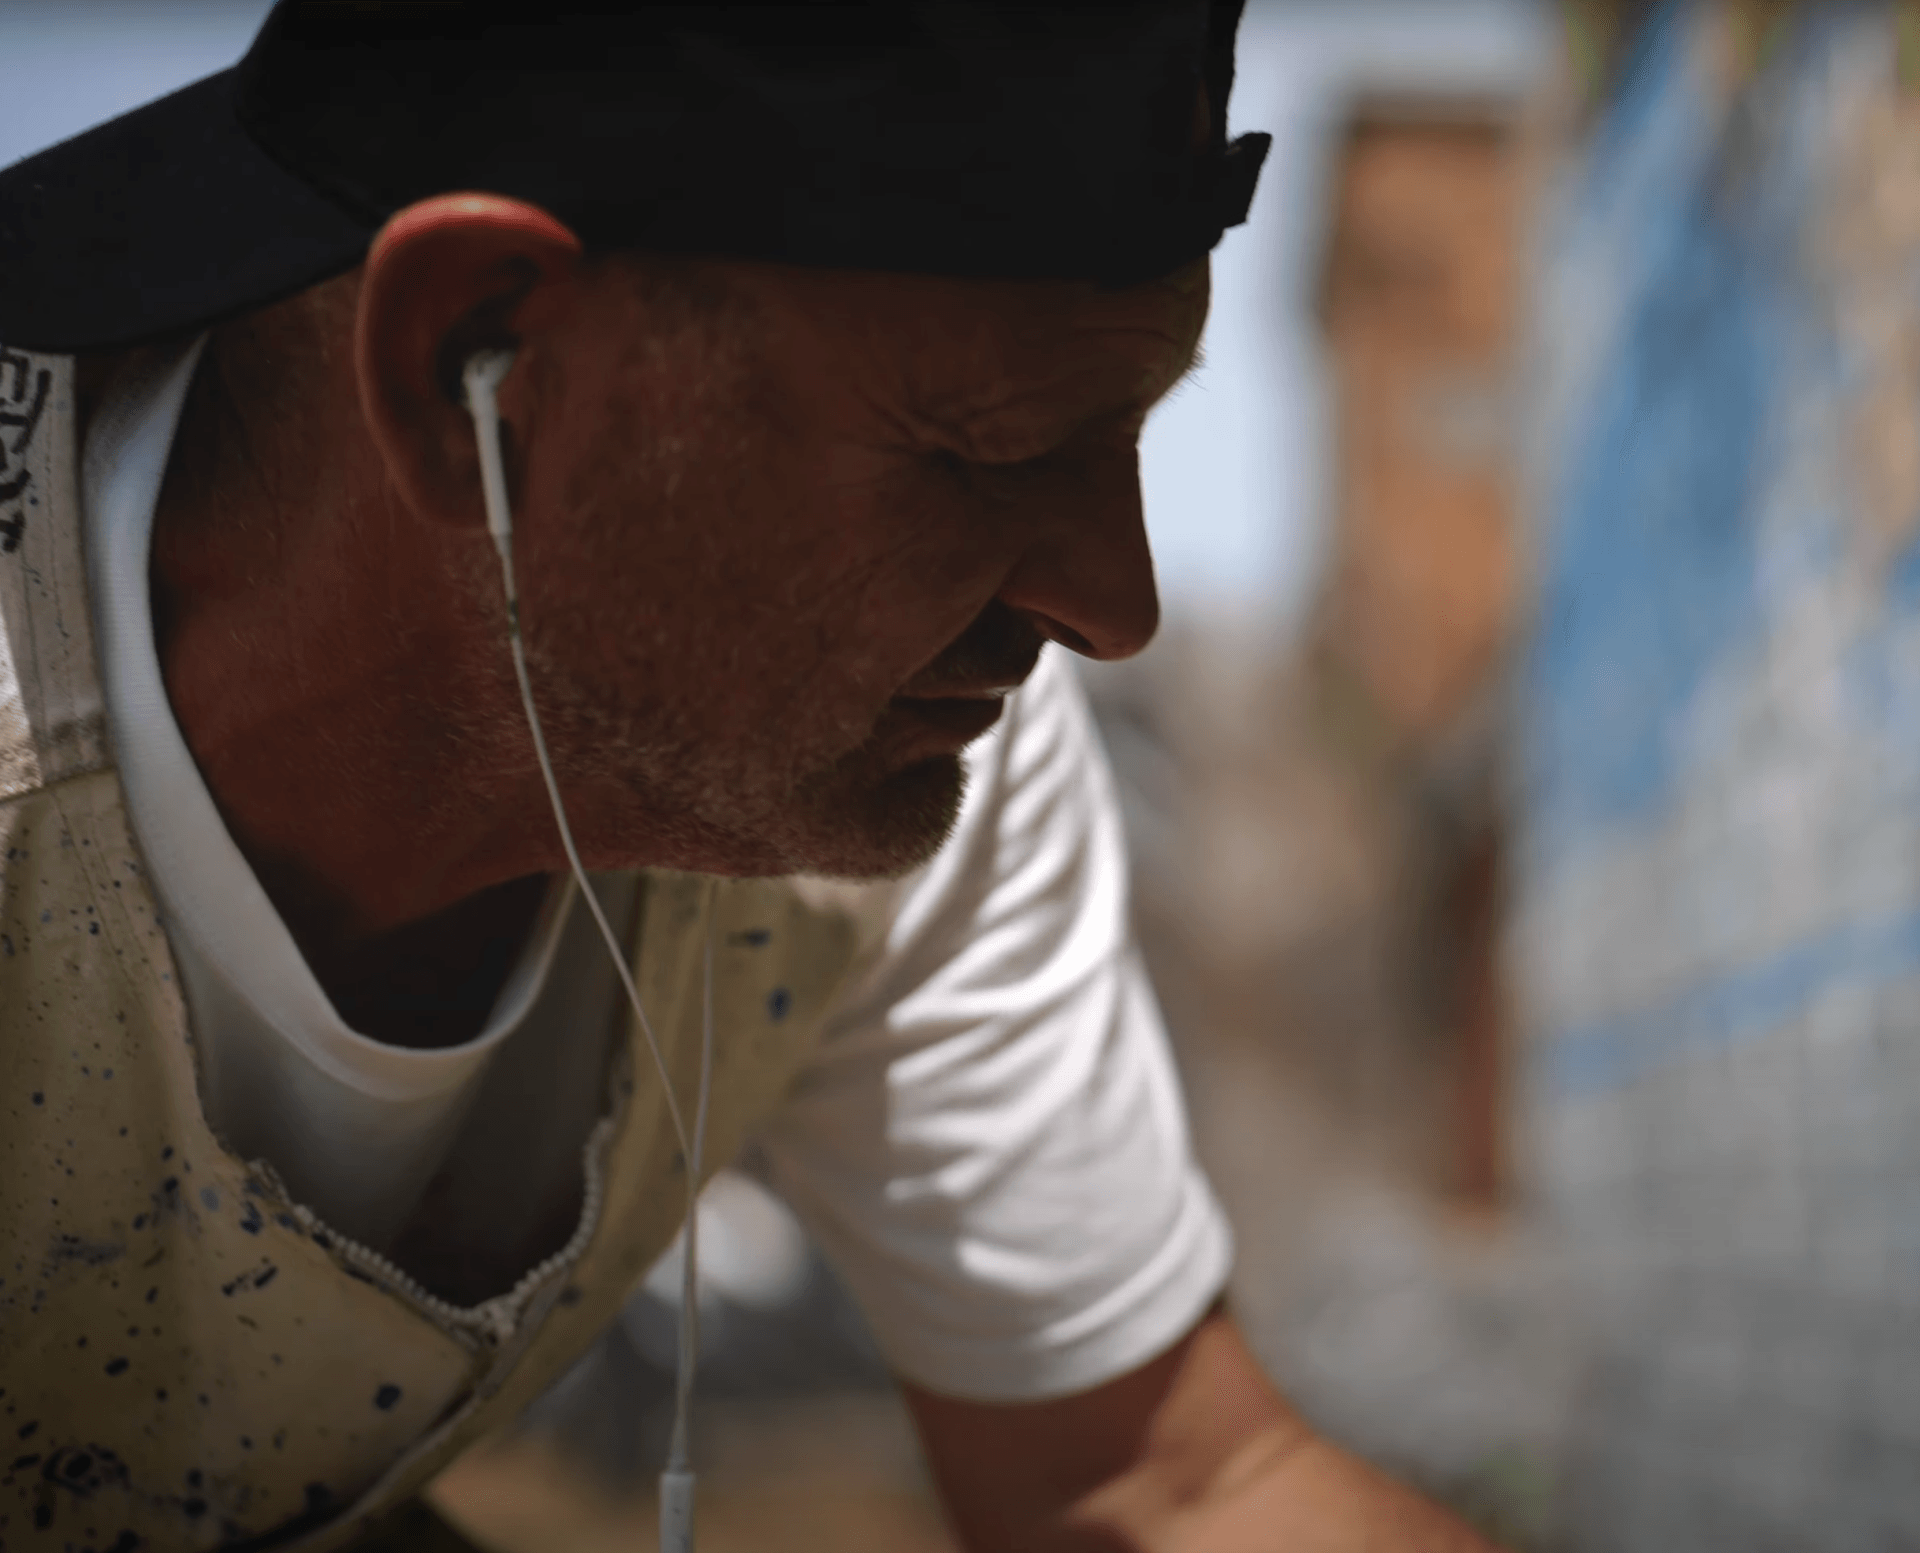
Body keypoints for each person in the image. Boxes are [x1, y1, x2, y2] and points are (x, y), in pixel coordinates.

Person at [0, 4, 1496, 1549]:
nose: (1114, 611)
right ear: (474, 361)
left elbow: (1164, 1482)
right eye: (980, 453)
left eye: (1121, 435)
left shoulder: (903, 758)